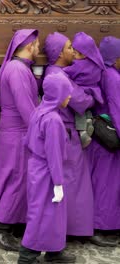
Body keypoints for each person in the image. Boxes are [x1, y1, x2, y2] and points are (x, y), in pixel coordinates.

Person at [44, 32, 110, 246]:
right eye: (70, 47)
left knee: (75, 186)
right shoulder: (58, 75)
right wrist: (92, 95)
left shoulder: (61, 72)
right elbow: (80, 101)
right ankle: (70, 231)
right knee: (72, 186)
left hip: (68, 134)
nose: (73, 51)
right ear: (59, 52)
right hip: (66, 135)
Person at [0, 29, 40, 251]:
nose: (39, 49)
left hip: (13, 133)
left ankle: (2, 227)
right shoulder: (17, 70)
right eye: (37, 45)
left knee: (9, 180)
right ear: (29, 46)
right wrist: (41, 130)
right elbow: (26, 107)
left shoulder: (16, 68)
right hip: (17, 133)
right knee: (16, 181)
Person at [18, 73, 76, 264]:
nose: (69, 97)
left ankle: (54, 250)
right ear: (58, 94)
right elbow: (54, 155)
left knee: (53, 212)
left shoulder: (39, 111)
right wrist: (58, 182)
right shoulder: (53, 120)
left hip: (38, 168)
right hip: (47, 172)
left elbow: (27, 141)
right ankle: (27, 257)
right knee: (41, 213)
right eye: (66, 93)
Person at [85, 36, 120, 245]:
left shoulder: (101, 73)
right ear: (115, 58)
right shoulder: (114, 78)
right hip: (110, 140)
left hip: (99, 138)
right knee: (107, 186)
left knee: (100, 183)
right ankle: (99, 229)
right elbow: (117, 110)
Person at [64, 32, 105, 148]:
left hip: (83, 91)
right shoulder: (97, 63)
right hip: (94, 91)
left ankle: (82, 131)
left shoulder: (79, 65)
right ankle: (89, 120)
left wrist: (59, 70)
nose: (74, 55)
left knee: (79, 112)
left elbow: (66, 72)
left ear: (84, 55)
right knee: (87, 110)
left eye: (76, 53)